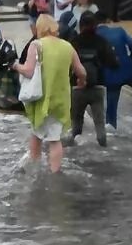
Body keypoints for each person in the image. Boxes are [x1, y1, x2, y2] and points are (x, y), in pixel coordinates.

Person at [12, 14, 87, 174]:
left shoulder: (36, 45)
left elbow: (28, 71)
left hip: (40, 99)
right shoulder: (67, 46)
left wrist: (15, 65)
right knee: (55, 139)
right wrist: (82, 81)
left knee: (36, 133)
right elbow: (81, 70)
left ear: (40, 28)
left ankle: (34, 167)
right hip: (60, 100)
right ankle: (55, 173)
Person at [66, 12, 118, 148]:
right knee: (100, 125)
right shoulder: (101, 42)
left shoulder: (74, 42)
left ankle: (72, 155)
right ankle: (105, 152)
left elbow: (66, 65)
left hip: (77, 89)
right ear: (95, 25)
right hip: (97, 88)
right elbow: (114, 64)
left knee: (76, 125)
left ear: (80, 25)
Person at [97, 18, 132, 128]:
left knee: (111, 118)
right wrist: (131, 62)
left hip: (111, 76)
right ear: (108, 23)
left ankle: (111, 128)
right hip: (128, 72)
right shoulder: (120, 31)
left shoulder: (95, 35)